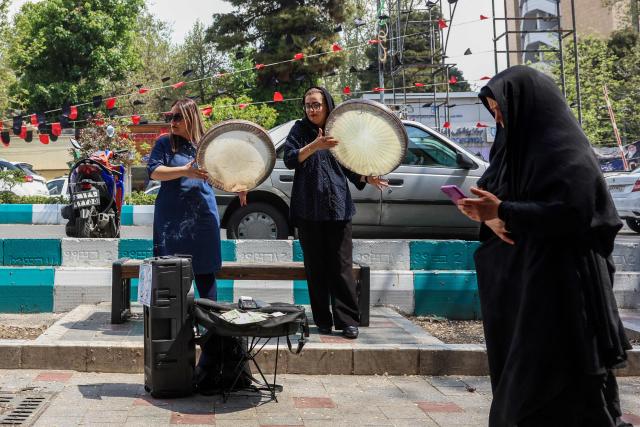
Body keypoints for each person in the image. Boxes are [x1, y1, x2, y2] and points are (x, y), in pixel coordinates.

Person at [457, 66, 631, 426]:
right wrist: (487, 215)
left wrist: (503, 210)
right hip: (522, 291)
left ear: (529, 106)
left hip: (562, 292)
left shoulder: (565, 150)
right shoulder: (511, 151)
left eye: (500, 108)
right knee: (528, 385)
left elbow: (578, 212)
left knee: (549, 387)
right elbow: (501, 199)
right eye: (492, 110)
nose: (498, 117)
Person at [283, 86, 388, 339]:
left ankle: (347, 320)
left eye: (317, 104)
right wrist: (315, 145)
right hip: (308, 211)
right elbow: (289, 159)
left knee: (341, 267)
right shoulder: (299, 130)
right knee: (315, 268)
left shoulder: (339, 130)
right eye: (308, 105)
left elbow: (349, 163)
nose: (312, 109)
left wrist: (365, 176)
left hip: (338, 208)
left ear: (327, 105)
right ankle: (322, 320)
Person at [147, 98, 246, 300]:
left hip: (202, 217)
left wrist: (239, 186)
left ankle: (210, 326)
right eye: (170, 117)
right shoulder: (165, 142)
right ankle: (179, 328)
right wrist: (184, 171)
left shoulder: (207, 145)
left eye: (177, 117)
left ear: (191, 118)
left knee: (205, 272)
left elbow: (223, 172)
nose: (172, 121)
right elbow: (154, 171)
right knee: (172, 275)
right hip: (171, 219)